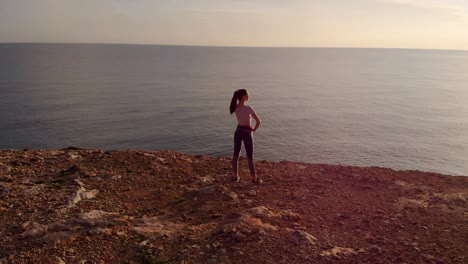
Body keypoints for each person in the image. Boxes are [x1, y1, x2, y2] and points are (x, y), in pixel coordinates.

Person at [229, 89, 262, 184]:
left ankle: (235, 176)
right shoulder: (249, 108)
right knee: (249, 156)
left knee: (236, 154)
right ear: (243, 96)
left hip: (238, 131)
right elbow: (259, 121)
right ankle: (254, 178)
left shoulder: (235, 107)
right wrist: (253, 130)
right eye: (247, 94)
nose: (249, 95)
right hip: (247, 132)